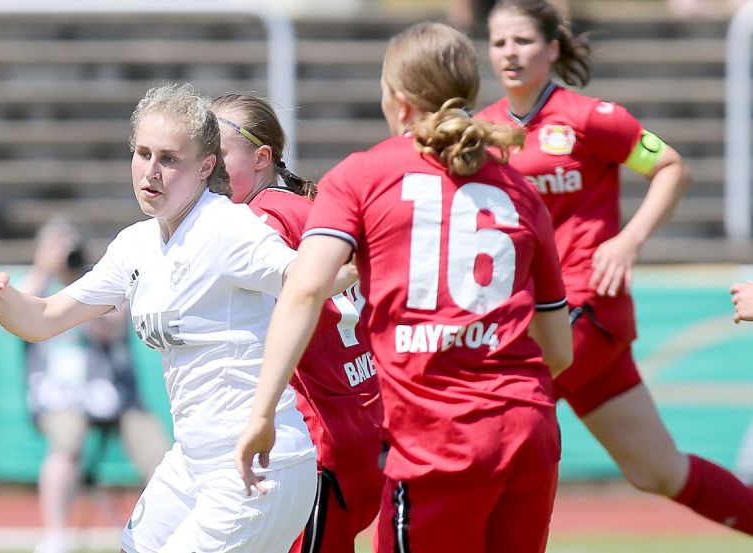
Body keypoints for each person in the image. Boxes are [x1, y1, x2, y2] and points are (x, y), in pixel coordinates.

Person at [236, 21, 573, 553]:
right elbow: (559, 349)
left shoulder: (362, 175)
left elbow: (304, 291)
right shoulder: (520, 190)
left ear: (397, 100)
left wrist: (260, 413)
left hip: (436, 438)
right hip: (529, 432)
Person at [0, 82, 332, 553]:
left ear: (205, 167)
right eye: (142, 153)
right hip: (193, 461)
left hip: (259, 465)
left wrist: (372, 259)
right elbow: (44, 318)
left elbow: (307, 278)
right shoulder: (136, 244)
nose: (150, 171)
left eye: (169, 158)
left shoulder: (228, 228)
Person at [478, 0, 753, 535]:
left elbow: (671, 166)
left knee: (495, 430)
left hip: (583, 309)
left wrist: (629, 241)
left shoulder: (590, 118)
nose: (510, 53)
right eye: (499, 42)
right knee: (657, 470)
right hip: (527, 314)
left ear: (552, 48)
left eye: (523, 40)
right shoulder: (482, 130)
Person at [212, 93, 384, 553]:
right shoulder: (313, 205)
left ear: (261, 156)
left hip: (316, 438)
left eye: (219, 152)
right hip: (363, 420)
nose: (206, 163)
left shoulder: (260, 218)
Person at [20, 217, 171, 553]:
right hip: (61, 399)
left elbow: (113, 325)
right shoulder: (34, 286)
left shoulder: (99, 280)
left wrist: (76, 282)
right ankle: (57, 536)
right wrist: (45, 269)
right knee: (66, 446)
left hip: (116, 396)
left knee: (161, 457)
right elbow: (13, 320)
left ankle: (164, 535)